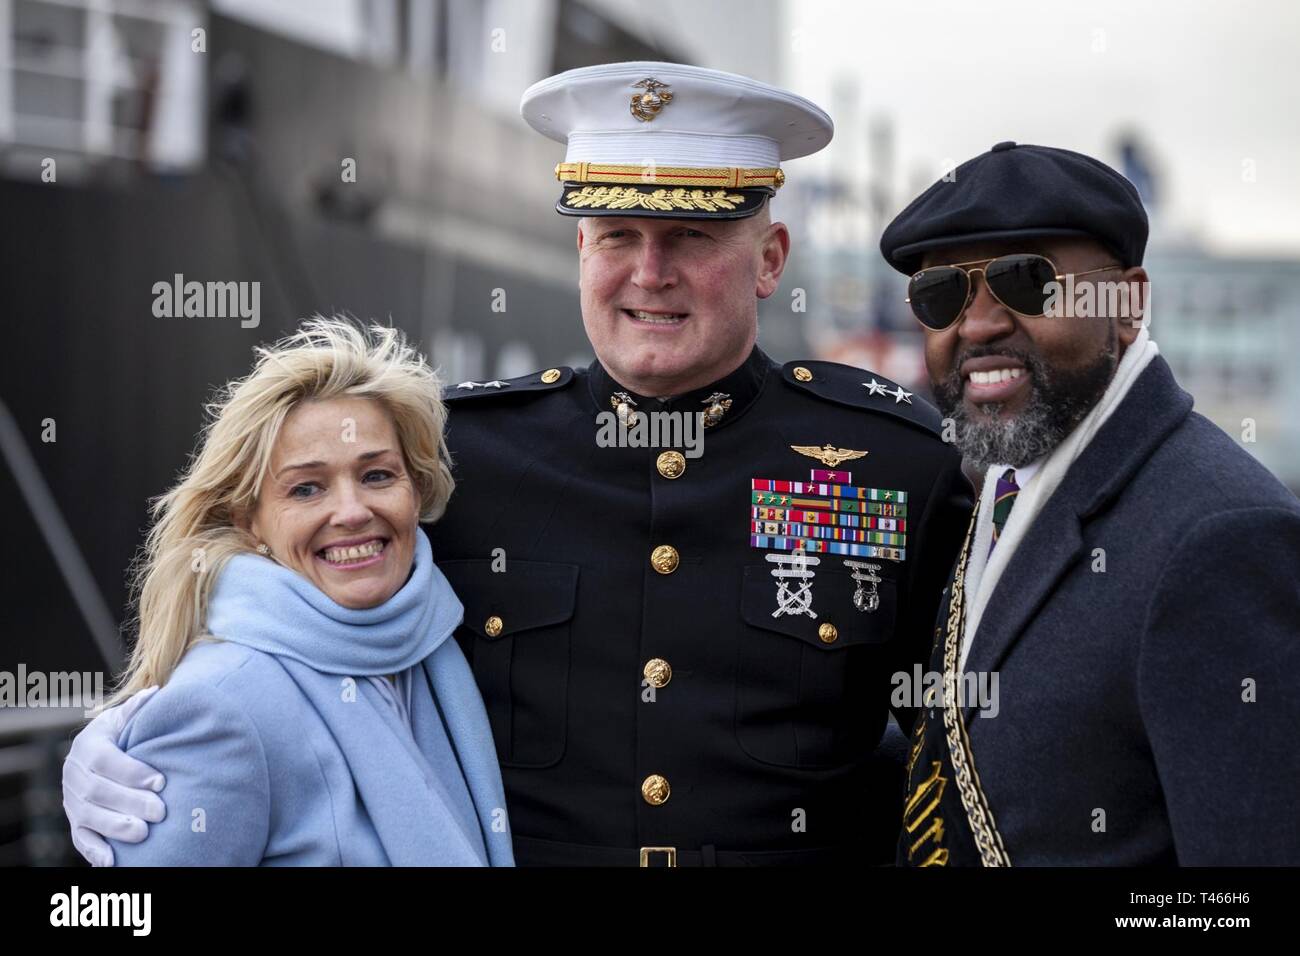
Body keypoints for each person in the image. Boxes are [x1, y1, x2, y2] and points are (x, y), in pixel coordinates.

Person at [65, 62, 970, 867]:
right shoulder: (458, 461)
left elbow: (960, 744)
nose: (649, 273)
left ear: (769, 259)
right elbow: (294, 614)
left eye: (692, 238)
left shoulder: (896, 466)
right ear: (581, 251)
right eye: (616, 235)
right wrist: (138, 730)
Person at [881, 141, 1300, 865]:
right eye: (942, 294)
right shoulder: (1008, 483)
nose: (977, 325)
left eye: (1028, 283)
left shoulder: (1221, 534)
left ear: (1128, 303)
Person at [62, 319, 514, 866]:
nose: (351, 512)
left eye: (376, 476)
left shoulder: (434, 657)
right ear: (249, 521)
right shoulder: (218, 704)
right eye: (306, 488)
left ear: (416, 491)